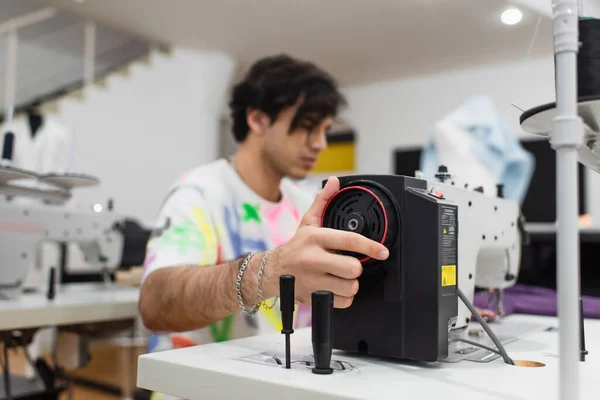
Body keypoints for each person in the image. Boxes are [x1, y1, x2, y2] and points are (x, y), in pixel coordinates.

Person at [139, 54, 390, 360]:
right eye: (308, 126)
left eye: (325, 129)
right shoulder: (199, 194)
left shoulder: (303, 204)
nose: (321, 143)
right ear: (257, 119)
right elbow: (155, 304)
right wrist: (271, 271)